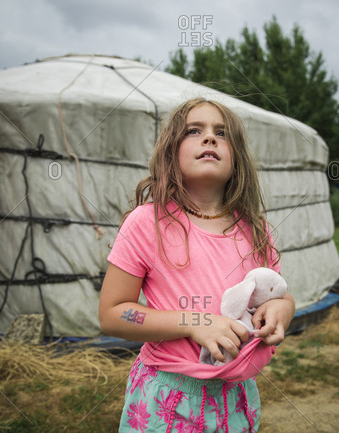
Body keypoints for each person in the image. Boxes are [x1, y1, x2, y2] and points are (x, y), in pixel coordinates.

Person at [99, 97, 295, 432]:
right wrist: (195, 322)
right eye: (195, 131)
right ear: (171, 151)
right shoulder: (148, 223)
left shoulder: (255, 228)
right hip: (167, 398)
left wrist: (284, 309)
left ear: (238, 158)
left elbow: (277, 293)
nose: (210, 138)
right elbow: (112, 313)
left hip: (236, 399)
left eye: (222, 132)